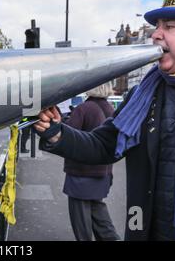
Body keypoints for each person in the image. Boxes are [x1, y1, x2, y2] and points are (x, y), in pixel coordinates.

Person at [34, 0, 175, 241]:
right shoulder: (145, 93)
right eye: (157, 26)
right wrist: (56, 132)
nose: (156, 34)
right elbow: (104, 145)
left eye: (170, 26)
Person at [62, 82, 120, 241]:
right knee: (100, 217)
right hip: (103, 172)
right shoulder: (110, 108)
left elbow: (67, 137)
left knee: (81, 224)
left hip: (81, 174)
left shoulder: (83, 109)